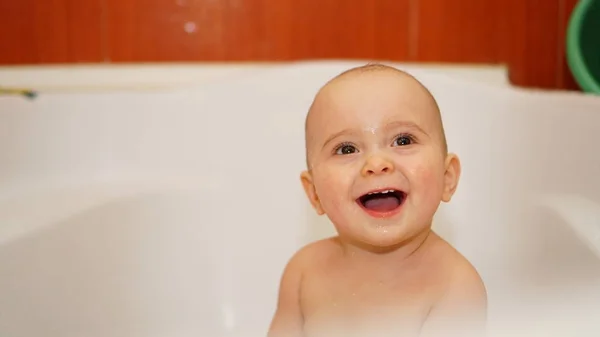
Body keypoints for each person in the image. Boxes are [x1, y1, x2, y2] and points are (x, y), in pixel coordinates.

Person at [267, 63, 487, 337]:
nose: (376, 163)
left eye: (403, 140)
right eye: (346, 148)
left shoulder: (454, 287)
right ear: (314, 194)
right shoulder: (303, 274)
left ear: (447, 177)